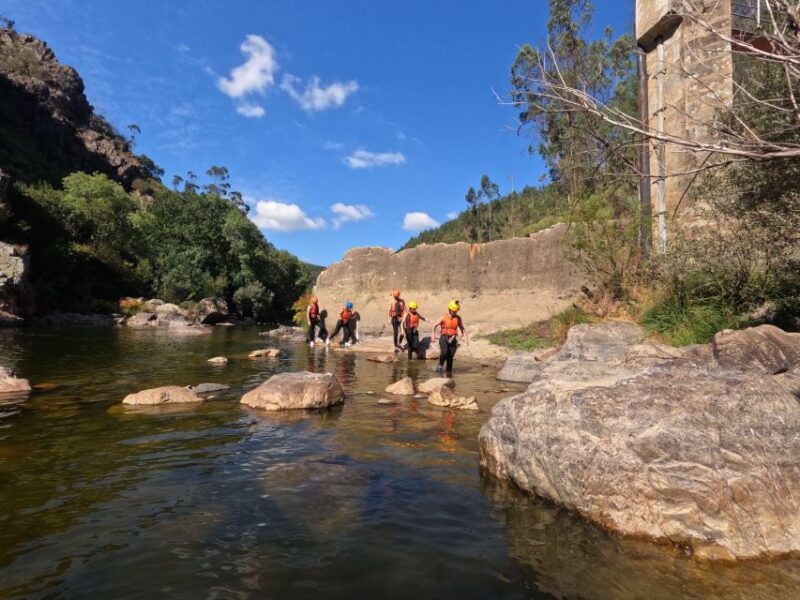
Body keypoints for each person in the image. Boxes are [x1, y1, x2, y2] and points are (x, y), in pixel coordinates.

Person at [431, 300, 469, 375]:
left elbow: (462, 328)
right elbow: (434, 326)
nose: (455, 313)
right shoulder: (443, 317)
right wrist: (432, 335)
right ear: (449, 309)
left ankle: (449, 375)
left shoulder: (458, 318)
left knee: (450, 358)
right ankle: (440, 365)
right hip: (444, 338)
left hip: (453, 339)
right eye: (453, 311)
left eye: (456, 311)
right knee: (444, 352)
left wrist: (466, 338)